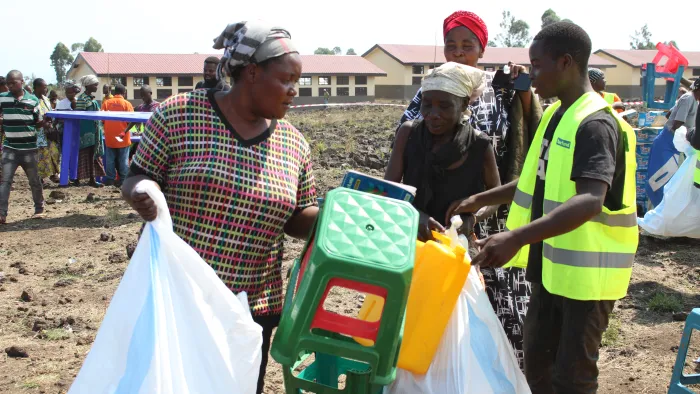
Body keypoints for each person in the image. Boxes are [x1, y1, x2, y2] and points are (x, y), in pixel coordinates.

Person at [121, 21, 318, 394]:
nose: (294, 92)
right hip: (177, 297)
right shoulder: (179, 114)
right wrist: (141, 192)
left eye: (298, 82)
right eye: (287, 80)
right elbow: (136, 176)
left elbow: (298, 216)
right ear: (253, 73)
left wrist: (341, 217)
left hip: (251, 306)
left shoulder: (294, 144)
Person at [451, 22, 638, 394]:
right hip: (553, 271)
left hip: (588, 279)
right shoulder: (556, 115)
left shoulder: (595, 124)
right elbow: (534, 180)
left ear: (566, 62)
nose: (530, 75)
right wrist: (480, 199)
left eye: (537, 65)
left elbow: (590, 199)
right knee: (537, 366)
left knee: (572, 378)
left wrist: (516, 236)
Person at [398, 10, 543, 368]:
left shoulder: (497, 90)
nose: (458, 53)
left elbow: (521, 135)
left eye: (467, 46)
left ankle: (495, 371)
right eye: (451, 46)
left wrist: (522, 91)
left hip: (485, 213)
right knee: (429, 311)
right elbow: (405, 153)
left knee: (493, 305)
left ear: (482, 49)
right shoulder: (430, 93)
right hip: (433, 214)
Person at [386, 62, 500, 243]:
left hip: (456, 242)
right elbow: (387, 191)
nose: (433, 114)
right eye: (427, 105)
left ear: (463, 104)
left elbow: (496, 197)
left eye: (444, 106)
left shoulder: (479, 144)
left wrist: (471, 219)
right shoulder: (408, 134)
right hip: (409, 238)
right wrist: (415, 216)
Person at [0, 70, 46, 224]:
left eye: (13, 82)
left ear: (21, 82)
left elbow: (37, 122)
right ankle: (2, 214)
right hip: (10, 148)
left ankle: (39, 209)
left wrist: (45, 122)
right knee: (5, 181)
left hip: (29, 148)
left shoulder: (32, 100)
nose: (11, 86)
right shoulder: (2, 99)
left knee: (34, 180)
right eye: (8, 84)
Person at [645, 80, 700, 206]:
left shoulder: (693, 100)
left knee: (672, 180)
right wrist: (690, 134)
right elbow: (677, 124)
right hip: (668, 142)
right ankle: (656, 214)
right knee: (660, 180)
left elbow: (669, 114)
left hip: (676, 144)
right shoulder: (688, 99)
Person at [74, 75, 106, 188]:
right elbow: (79, 115)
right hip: (86, 132)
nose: (97, 87)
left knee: (93, 155)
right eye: (95, 84)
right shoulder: (82, 99)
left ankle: (91, 179)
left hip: (94, 130)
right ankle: (79, 178)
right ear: (88, 85)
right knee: (85, 154)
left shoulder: (91, 99)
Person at [101, 84, 134, 187]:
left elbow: (102, 120)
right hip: (123, 137)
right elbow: (132, 120)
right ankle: (123, 180)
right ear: (124, 93)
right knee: (123, 160)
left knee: (110, 160)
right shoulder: (127, 104)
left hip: (110, 137)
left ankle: (110, 179)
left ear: (114, 92)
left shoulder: (106, 103)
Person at [33, 78, 61, 185]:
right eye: (44, 87)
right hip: (38, 132)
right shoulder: (32, 100)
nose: (46, 89)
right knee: (41, 155)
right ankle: (40, 178)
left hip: (49, 131)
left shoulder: (45, 99)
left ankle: (54, 174)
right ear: (37, 87)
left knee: (53, 152)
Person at [125, 85, 159, 160]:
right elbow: (134, 120)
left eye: (144, 95)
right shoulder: (140, 108)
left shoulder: (158, 107)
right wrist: (124, 131)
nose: (143, 97)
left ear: (150, 93)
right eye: (141, 95)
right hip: (145, 139)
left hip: (157, 139)